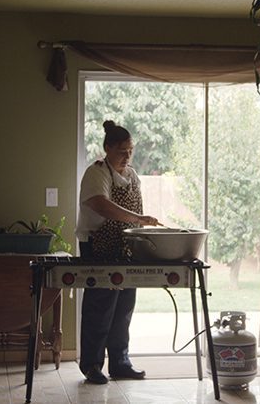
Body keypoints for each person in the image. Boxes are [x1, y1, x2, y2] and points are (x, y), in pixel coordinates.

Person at [75, 120, 160, 384]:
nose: (127, 156)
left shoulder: (132, 175)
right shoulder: (97, 173)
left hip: (125, 248)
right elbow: (101, 205)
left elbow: (135, 211)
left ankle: (120, 362)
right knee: (100, 307)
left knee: (124, 307)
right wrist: (137, 219)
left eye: (130, 150)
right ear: (107, 148)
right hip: (97, 246)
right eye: (122, 150)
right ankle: (92, 365)